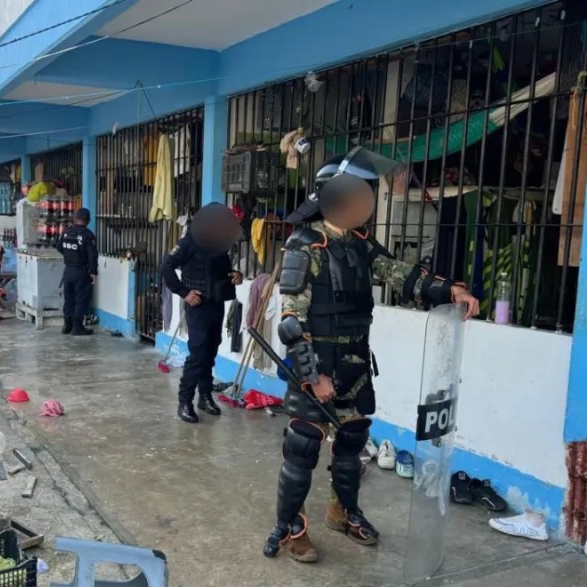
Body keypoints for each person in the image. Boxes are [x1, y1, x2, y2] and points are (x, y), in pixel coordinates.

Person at [263, 147, 480, 563]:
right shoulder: (303, 247)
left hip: (356, 366)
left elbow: (400, 273)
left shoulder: (360, 244)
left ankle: (342, 512)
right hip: (317, 370)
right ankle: (293, 526)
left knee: (352, 445)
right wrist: (313, 376)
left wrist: (449, 290)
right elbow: (291, 321)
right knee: (301, 450)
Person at [160, 203, 244, 424]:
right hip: (198, 306)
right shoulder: (190, 241)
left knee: (210, 352)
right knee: (197, 355)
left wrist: (235, 275)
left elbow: (223, 271)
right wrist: (184, 292)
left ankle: (204, 397)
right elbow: (166, 267)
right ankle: (184, 401)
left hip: (216, 304)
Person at [56, 207, 98, 336]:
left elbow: (59, 247)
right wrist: (93, 272)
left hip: (68, 271)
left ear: (76, 218)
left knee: (69, 299)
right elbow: (92, 256)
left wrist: (70, 256)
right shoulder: (87, 235)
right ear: (88, 220)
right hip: (81, 271)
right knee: (81, 300)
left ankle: (67, 325)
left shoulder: (67, 232)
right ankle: (77, 327)